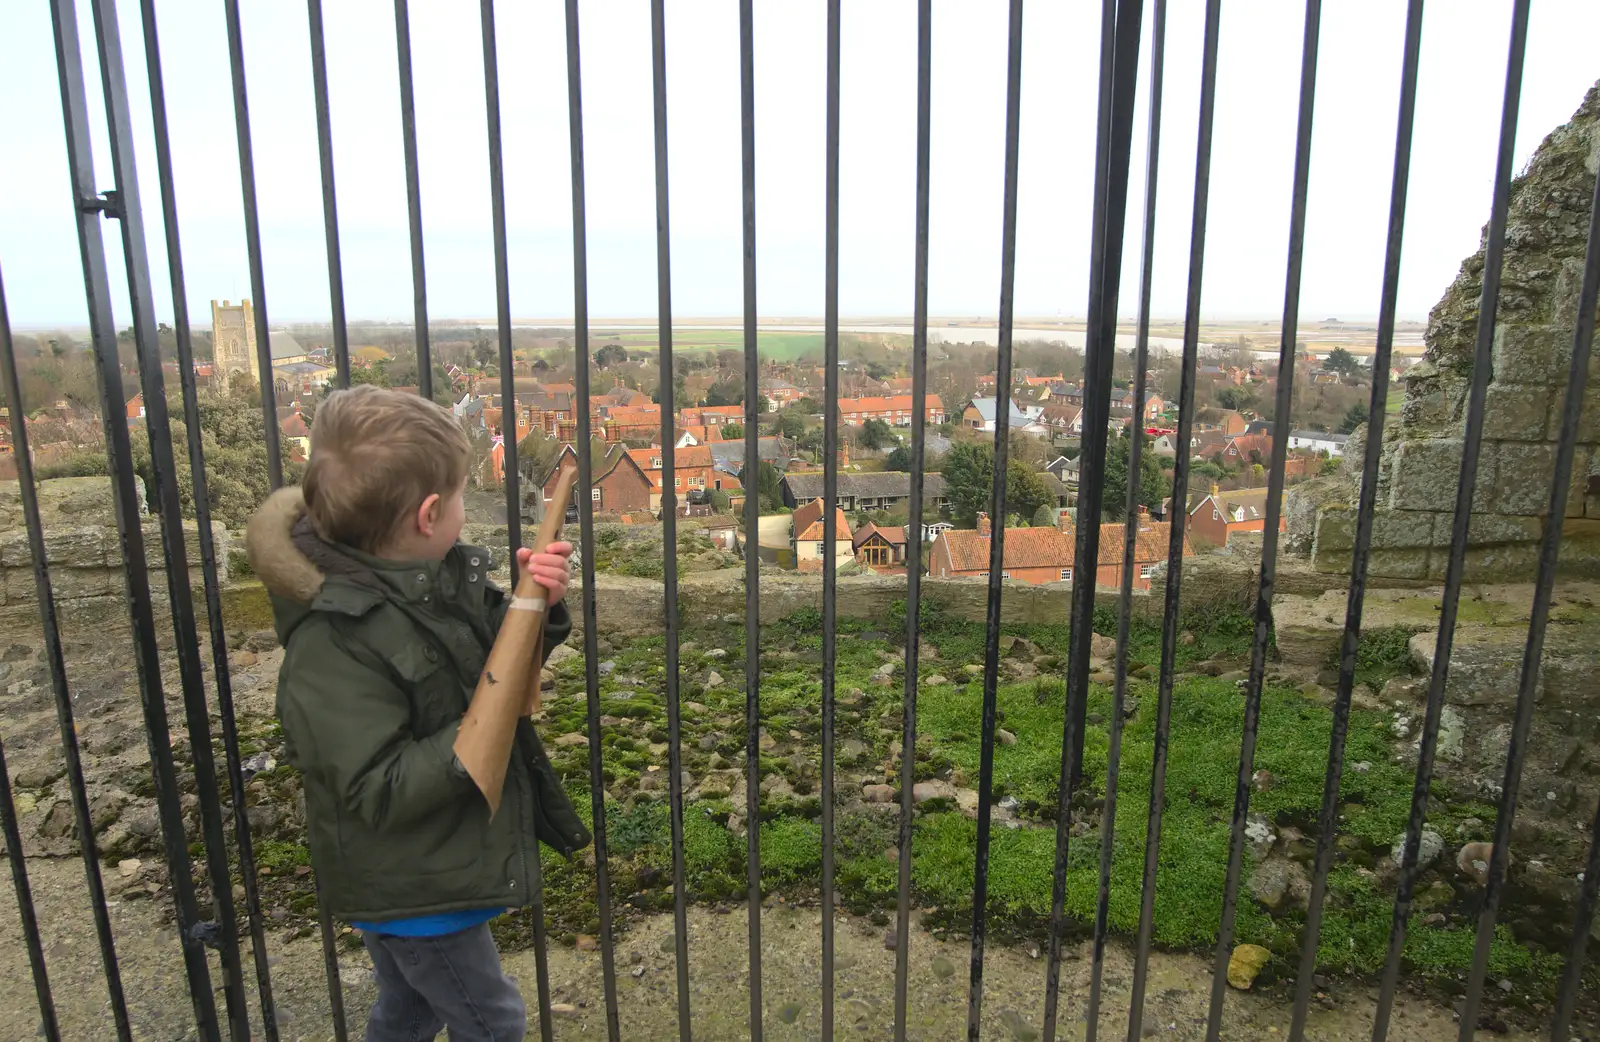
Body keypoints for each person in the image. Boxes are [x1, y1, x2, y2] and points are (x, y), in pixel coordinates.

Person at [246, 385, 589, 1041]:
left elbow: (491, 659)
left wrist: (532, 607)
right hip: (411, 888)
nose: (466, 508)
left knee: (408, 1011)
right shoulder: (333, 640)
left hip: (423, 871)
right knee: (493, 1022)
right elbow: (372, 785)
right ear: (430, 514)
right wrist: (471, 745)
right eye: (461, 495)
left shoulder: (424, 578)